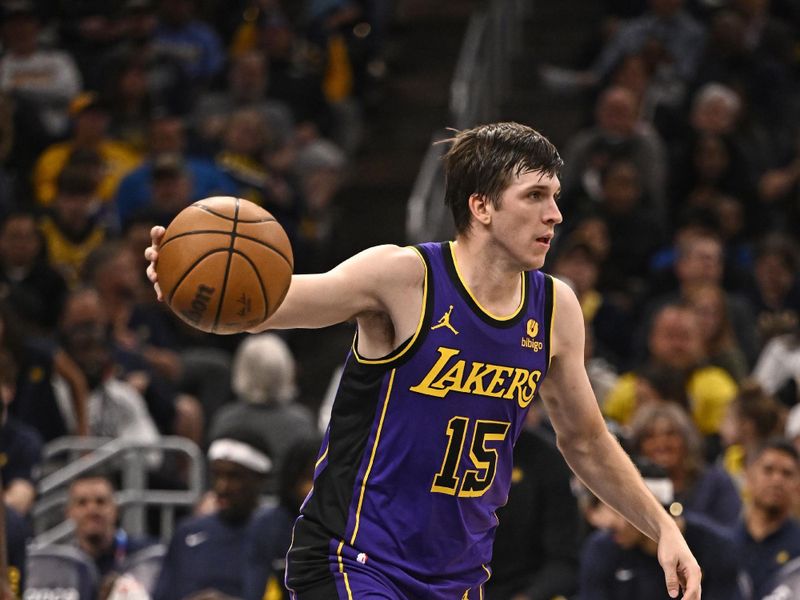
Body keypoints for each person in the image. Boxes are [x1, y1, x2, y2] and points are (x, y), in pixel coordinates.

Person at [146, 122, 701, 599]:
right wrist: (188, 281)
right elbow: (273, 304)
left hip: (454, 576)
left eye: (555, 196)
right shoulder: (403, 278)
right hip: (355, 556)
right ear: (480, 206)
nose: (555, 214)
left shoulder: (556, 309)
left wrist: (661, 527)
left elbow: (585, 441)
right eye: (534, 196)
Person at [579, 460, 747, 600]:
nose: (607, 521)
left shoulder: (716, 547)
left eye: (619, 510)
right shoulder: (601, 547)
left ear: (650, 511)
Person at [151, 429, 270, 600]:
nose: (223, 488)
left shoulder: (279, 535)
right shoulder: (187, 532)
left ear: (259, 479)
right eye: (217, 475)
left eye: (234, 476)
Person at [242, 435, 322, 600]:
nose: (317, 489)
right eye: (309, 478)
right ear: (292, 481)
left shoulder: (350, 526)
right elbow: (255, 590)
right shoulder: (268, 526)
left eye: (324, 480)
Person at [733, 438, 800, 598]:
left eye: (787, 473)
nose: (777, 480)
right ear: (748, 475)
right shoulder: (724, 542)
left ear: (797, 483)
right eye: (768, 470)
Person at [66, 473, 155, 579]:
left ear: (115, 509)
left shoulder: (144, 555)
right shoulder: (63, 564)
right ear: (69, 512)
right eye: (82, 503)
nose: (92, 510)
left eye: (100, 502)